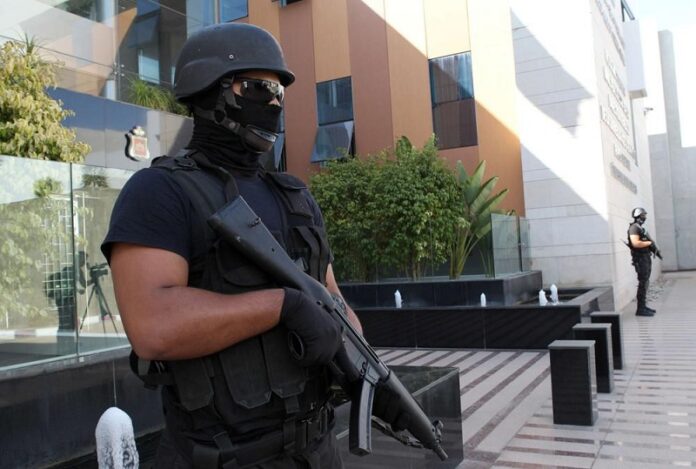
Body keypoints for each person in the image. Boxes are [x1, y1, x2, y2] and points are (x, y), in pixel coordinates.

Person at [101, 23, 361, 469]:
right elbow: (152, 325)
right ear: (211, 91)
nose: (274, 104)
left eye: (280, 93)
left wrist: (363, 366)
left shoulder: (295, 196)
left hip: (317, 451)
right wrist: (283, 306)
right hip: (222, 458)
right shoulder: (160, 191)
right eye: (260, 89)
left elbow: (332, 295)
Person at [627, 207, 660, 317]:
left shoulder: (640, 228)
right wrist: (649, 243)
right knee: (642, 283)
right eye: (643, 215)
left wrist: (652, 247)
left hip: (645, 257)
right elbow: (636, 243)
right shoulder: (634, 228)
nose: (645, 217)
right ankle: (640, 309)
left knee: (645, 282)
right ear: (638, 216)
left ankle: (643, 306)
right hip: (640, 259)